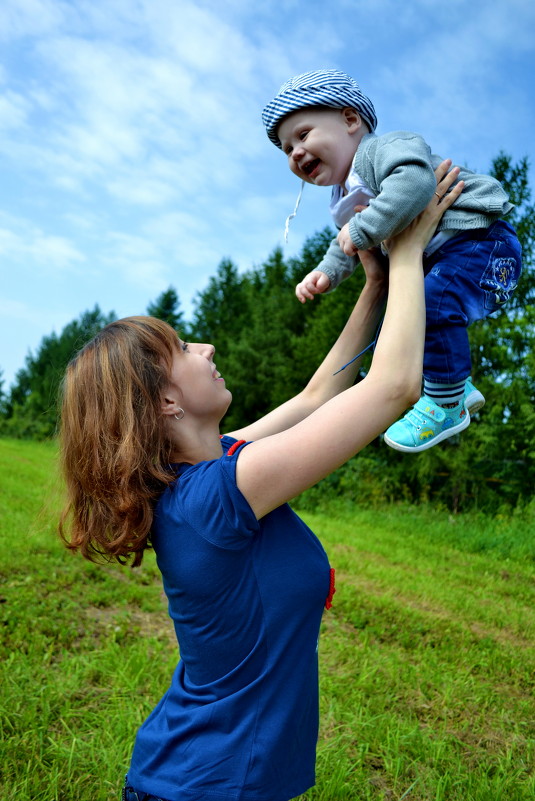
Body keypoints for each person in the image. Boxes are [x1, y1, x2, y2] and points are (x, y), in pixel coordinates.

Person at [58, 164, 462, 801]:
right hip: (214, 785)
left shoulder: (213, 469)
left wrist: (376, 284)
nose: (207, 346)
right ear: (164, 403)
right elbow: (393, 389)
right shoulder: (217, 496)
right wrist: (411, 248)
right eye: (184, 350)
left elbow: (320, 392)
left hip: (208, 778)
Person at [262, 69, 523, 453]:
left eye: (303, 135)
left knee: (429, 304)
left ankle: (446, 403)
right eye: (286, 149)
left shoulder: (383, 149)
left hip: (481, 243)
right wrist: (326, 272)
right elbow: (345, 243)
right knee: (405, 321)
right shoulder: (342, 198)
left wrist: (362, 229)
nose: (296, 152)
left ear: (350, 120)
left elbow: (415, 184)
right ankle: (452, 381)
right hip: (446, 260)